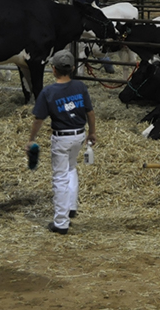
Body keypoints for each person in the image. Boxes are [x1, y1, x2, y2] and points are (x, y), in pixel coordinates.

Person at [27, 50, 97, 235]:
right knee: (71, 168)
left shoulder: (48, 92)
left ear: (53, 70)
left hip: (62, 137)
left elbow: (38, 119)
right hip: (79, 135)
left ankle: (61, 222)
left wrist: (31, 139)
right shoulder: (80, 87)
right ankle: (71, 207)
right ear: (73, 68)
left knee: (59, 177)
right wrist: (92, 132)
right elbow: (90, 112)